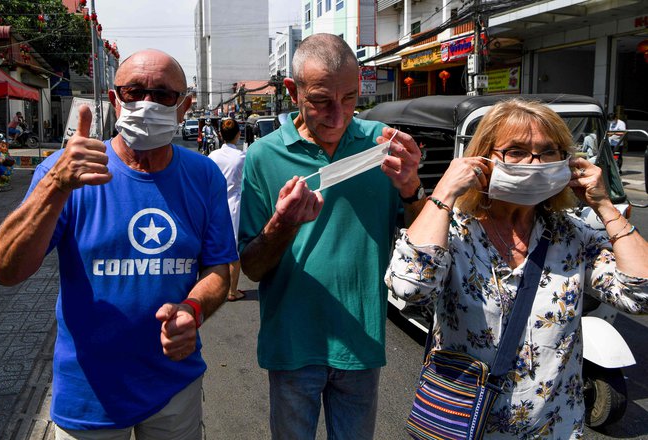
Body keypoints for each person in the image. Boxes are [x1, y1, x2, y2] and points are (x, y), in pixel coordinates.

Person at [0, 49, 238, 439]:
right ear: (114, 99)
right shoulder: (67, 171)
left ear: (185, 106)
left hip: (175, 387)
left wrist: (193, 308)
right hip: (89, 394)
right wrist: (56, 184)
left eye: (163, 95)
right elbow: (4, 271)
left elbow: (219, 269)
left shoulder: (204, 176)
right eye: (134, 91)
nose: (146, 103)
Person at [385, 99, 648, 439]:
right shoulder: (452, 231)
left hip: (554, 428)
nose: (533, 164)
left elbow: (641, 295)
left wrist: (603, 205)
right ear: (484, 159)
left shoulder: (573, 234)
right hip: (466, 424)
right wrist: (446, 193)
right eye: (516, 151)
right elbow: (409, 287)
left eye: (547, 151)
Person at [238, 33, 424, 439]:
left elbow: (425, 238)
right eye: (321, 101)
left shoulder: (381, 144)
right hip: (292, 344)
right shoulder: (263, 155)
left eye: (351, 98)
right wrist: (282, 224)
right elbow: (251, 268)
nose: (338, 117)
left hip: (361, 341)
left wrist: (411, 187)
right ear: (292, 91)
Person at [209, 118, 246, 301]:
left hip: (214, 207)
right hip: (234, 206)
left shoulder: (213, 156)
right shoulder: (241, 157)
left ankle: (215, 288)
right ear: (238, 135)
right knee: (234, 251)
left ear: (220, 135)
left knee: (216, 249)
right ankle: (232, 291)